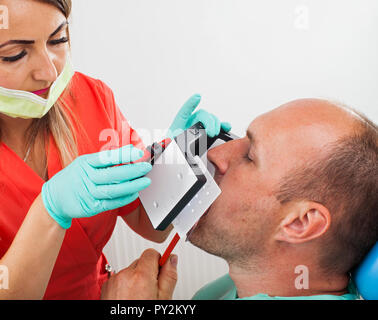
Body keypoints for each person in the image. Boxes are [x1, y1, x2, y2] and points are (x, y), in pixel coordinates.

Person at [0, 0, 230, 300]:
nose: (48, 72)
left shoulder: (91, 98)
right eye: (14, 55)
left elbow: (150, 224)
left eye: (58, 39)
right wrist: (48, 213)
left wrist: (182, 158)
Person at [101, 98, 378, 300]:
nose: (214, 154)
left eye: (249, 156)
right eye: (239, 138)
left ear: (300, 223)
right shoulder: (225, 290)